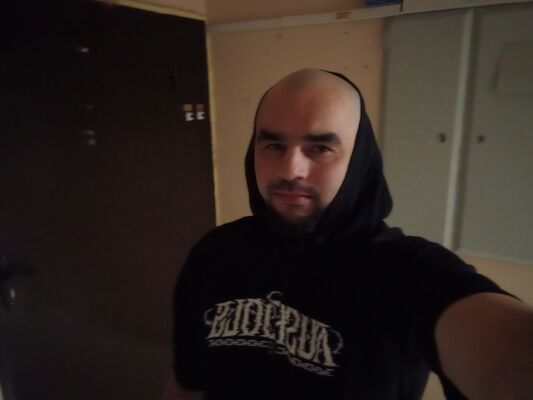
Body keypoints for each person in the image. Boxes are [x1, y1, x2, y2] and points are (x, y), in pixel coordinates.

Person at [164, 69, 533, 400]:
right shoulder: (214, 253)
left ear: (358, 160)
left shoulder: (404, 270)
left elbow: (500, 349)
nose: (291, 169)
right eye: (273, 145)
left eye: (321, 148)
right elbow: (187, 383)